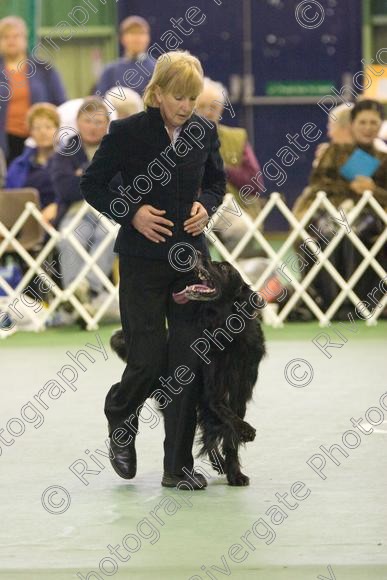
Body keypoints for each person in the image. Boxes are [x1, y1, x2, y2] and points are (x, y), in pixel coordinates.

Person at [80, 51, 226, 489]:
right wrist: (132, 212)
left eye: (193, 99)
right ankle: (120, 415)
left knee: (185, 364)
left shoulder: (204, 131)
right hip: (141, 263)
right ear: (157, 92)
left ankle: (176, 466)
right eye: (179, 97)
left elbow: (217, 183)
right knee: (146, 360)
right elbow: (93, 184)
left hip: (189, 263)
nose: (186, 106)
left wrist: (208, 207)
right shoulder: (126, 132)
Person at [293, 99, 387, 316]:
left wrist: (373, 189)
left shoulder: (383, 157)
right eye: (362, 122)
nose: (368, 127)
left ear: (380, 125)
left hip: (373, 215)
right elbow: (317, 186)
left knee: (356, 234)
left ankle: (359, 302)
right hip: (331, 212)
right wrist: (350, 186)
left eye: (374, 122)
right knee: (324, 235)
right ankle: (327, 301)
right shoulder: (333, 152)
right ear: (352, 124)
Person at [52, 97, 117, 303]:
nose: (93, 127)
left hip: (108, 211)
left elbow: (121, 183)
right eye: (87, 121)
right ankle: (75, 293)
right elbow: (64, 189)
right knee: (70, 238)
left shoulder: (116, 147)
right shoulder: (65, 151)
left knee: (109, 235)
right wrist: (98, 177)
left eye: (98, 122)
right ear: (78, 123)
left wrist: (82, 174)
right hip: (75, 212)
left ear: (107, 124)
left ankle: (89, 289)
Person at [196, 77, 263, 256]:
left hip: (230, 207)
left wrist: (220, 169)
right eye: (201, 106)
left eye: (213, 107)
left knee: (241, 230)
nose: (208, 112)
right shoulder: (179, 137)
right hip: (193, 209)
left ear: (221, 109)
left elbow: (256, 183)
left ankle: (242, 279)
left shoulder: (237, 137)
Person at [0, 16, 66, 163]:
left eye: (16, 36)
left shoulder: (44, 68)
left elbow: (61, 103)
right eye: (5, 37)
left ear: (25, 38)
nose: (11, 40)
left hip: (40, 139)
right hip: (4, 140)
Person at [5, 102, 60, 224]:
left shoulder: (69, 161)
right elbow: (9, 197)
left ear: (58, 129)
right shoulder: (18, 165)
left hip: (58, 218)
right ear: (31, 132)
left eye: (48, 127)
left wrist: (58, 205)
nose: (43, 132)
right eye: (37, 128)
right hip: (22, 221)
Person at [95, 16, 155, 97]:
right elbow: (100, 101)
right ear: (122, 38)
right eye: (132, 33)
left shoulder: (156, 69)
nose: (137, 37)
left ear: (148, 38)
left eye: (141, 33)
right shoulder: (110, 71)